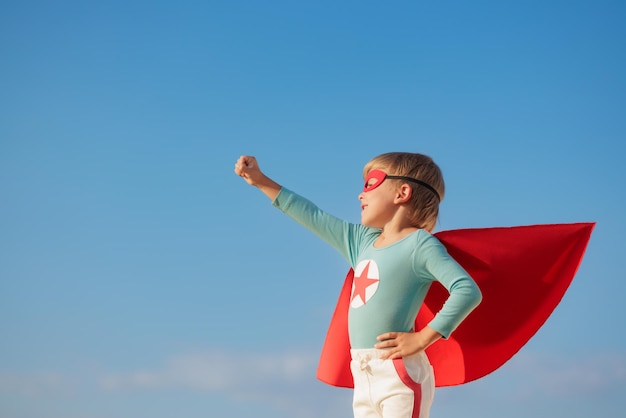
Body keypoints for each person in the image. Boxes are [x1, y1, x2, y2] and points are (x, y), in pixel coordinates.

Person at [234, 152, 482, 418]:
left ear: (403, 192)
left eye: (370, 184)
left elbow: (466, 290)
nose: (360, 195)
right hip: (363, 374)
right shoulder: (361, 241)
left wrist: (422, 338)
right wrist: (260, 181)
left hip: (398, 373)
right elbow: (312, 215)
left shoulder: (420, 245)